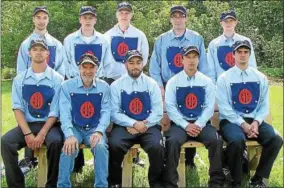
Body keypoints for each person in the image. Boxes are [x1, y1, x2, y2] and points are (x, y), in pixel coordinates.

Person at [216, 40, 283, 188]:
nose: (243, 55)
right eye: (239, 52)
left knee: (276, 139)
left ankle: (258, 179)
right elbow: (224, 108)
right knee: (236, 140)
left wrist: (256, 122)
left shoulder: (260, 77)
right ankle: (236, 180)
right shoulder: (224, 78)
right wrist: (243, 124)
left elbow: (264, 104)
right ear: (233, 55)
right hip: (231, 121)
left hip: (254, 121)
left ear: (249, 54)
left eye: (246, 52)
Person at [149, 5, 208, 168]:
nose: (178, 19)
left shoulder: (196, 38)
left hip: (193, 85)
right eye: (174, 16)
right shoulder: (161, 40)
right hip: (169, 86)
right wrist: (160, 87)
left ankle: (189, 160)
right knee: (170, 121)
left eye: (181, 16)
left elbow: (204, 65)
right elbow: (154, 67)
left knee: (192, 114)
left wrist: (204, 84)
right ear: (170, 19)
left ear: (185, 18)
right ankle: (169, 158)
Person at [1, 39, 64, 187]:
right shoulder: (19, 79)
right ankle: (16, 184)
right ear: (29, 53)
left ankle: (52, 184)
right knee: (6, 141)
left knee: (55, 142)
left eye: (42, 49)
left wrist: (42, 133)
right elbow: (17, 108)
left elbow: (55, 111)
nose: (38, 52)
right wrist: (27, 133)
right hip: (28, 124)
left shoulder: (57, 79)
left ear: (48, 53)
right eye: (35, 49)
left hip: (50, 125)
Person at [164, 45, 225, 188]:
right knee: (172, 141)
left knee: (216, 141)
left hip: (201, 124)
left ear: (198, 60)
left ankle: (216, 182)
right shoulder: (173, 82)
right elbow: (171, 108)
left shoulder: (206, 81)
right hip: (180, 125)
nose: (191, 60)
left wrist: (199, 124)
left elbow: (210, 107)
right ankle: (170, 183)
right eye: (188, 57)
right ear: (182, 60)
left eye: (194, 57)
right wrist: (186, 125)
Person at [108, 50, 164, 188]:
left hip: (149, 126)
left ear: (143, 64)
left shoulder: (152, 84)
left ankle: (155, 182)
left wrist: (143, 125)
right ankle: (115, 181)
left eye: (138, 63)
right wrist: (133, 123)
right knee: (114, 144)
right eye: (131, 63)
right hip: (124, 126)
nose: (135, 66)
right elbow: (114, 112)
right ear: (125, 64)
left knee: (157, 146)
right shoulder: (116, 85)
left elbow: (157, 111)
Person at [57, 53, 110, 187]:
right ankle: (63, 185)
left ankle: (101, 185)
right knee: (68, 147)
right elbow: (64, 114)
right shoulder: (67, 86)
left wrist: (99, 131)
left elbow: (106, 112)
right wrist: (69, 135)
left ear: (96, 68)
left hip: (94, 128)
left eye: (91, 67)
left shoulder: (104, 87)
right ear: (78, 68)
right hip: (75, 127)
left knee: (100, 147)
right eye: (84, 67)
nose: (87, 71)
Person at [104, 1, 149, 83]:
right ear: (116, 15)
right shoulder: (107, 36)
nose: (124, 15)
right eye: (121, 13)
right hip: (110, 80)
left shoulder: (139, 35)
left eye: (127, 13)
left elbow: (144, 59)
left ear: (131, 15)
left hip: (133, 79)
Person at [207, 10, 257, 83]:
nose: (228, 23)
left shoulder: (246, 41)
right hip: (221, 85)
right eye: (226, 21)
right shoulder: (214, 44)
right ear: (221, 23)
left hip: (242, 84)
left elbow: (252, 66)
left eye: (231, 21)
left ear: (236, 22)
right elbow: (211, 70)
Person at [63, 5, 112, 80]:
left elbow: (108, 64)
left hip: (98, 82)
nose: (87, 20)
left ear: (95, 20)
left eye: (90, 18)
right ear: (80, 19)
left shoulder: (104, 40)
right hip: (75, 81)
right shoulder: (69, 40)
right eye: (85, 17)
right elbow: (65, 63)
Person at [17, 6, 65, 77]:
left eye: (44, 18)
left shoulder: (57, 44)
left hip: (52, 86)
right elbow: (21, 72)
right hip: (31, 86)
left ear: (48, 20)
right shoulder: (25, 45)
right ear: (33, 19)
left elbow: (61, 72)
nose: (41, 21)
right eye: (38, 17)